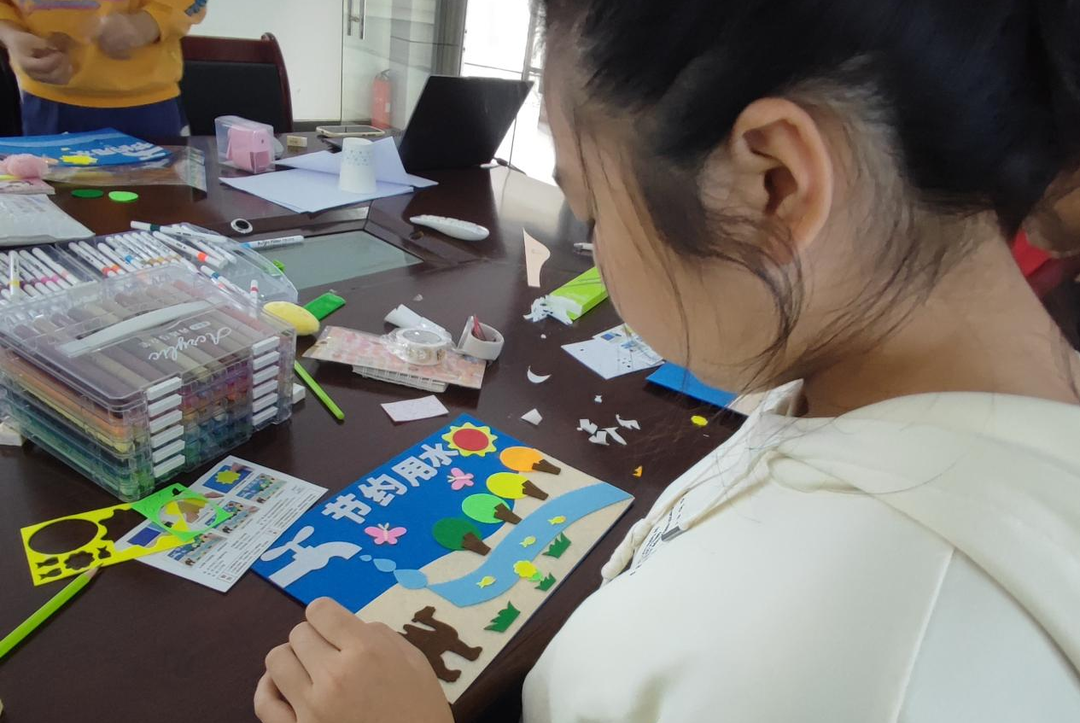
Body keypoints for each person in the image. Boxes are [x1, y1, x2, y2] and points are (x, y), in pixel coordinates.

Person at [254, 1, 1080, 721]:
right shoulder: (905, 398)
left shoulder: (847, 665)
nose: (596, 253)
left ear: (773, 184)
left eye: (593, 212)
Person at [0, 1, 206, 137]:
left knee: (153, 193)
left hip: (145, 105)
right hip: (41, 102)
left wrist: (146, 22)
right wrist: (11, 35)